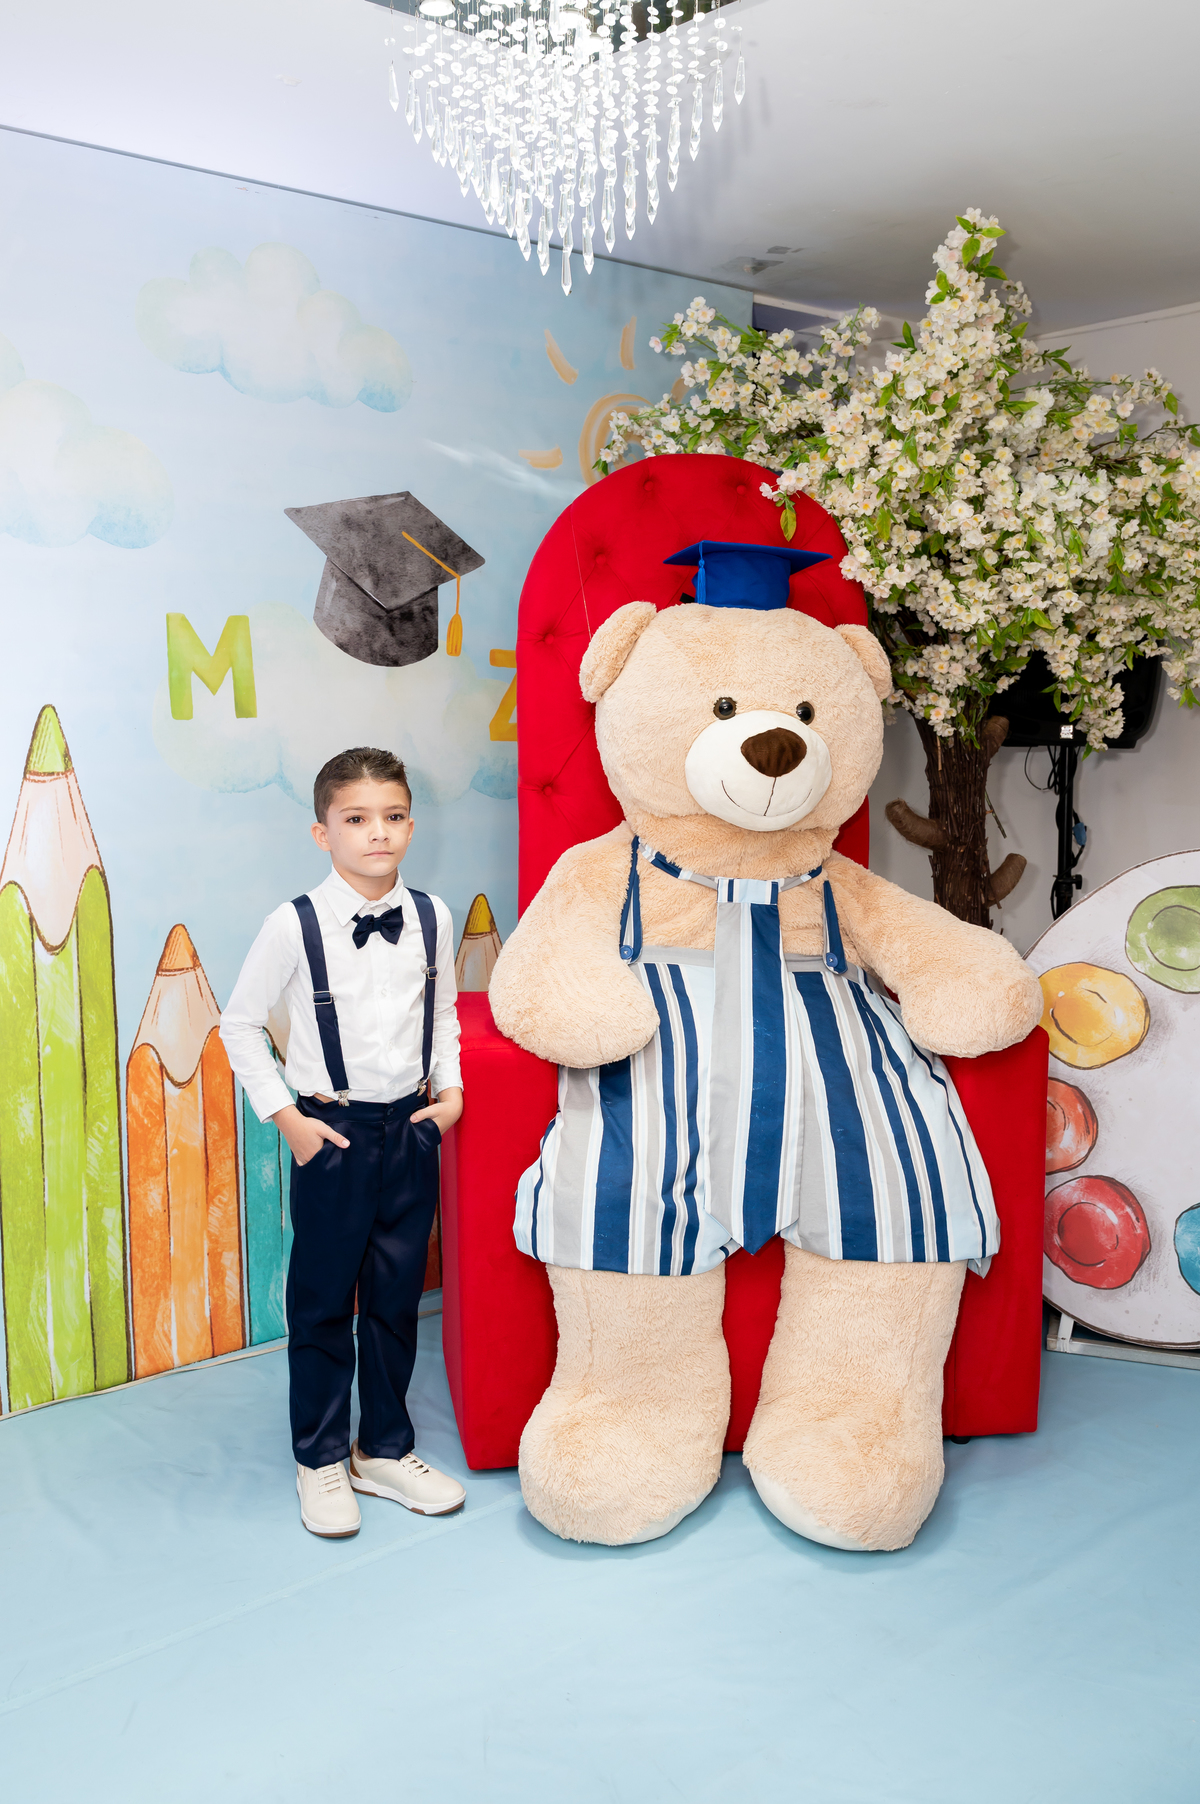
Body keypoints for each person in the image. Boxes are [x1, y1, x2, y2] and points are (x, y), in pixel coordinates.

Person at [221, 747, 466, 1537]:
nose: (377, 833)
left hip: (412, 1127)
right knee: (324, 1302)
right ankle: (321, 1457)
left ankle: (383, 1449)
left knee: (396, 1300)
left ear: (411, 825)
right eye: (356, 819)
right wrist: (287, 1120)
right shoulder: (292, 925)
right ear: (322, 833)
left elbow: (443, 1013)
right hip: (333, 1131)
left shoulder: (432, 914)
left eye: (393, 817)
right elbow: (238, 1024)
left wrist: (451, 1094)